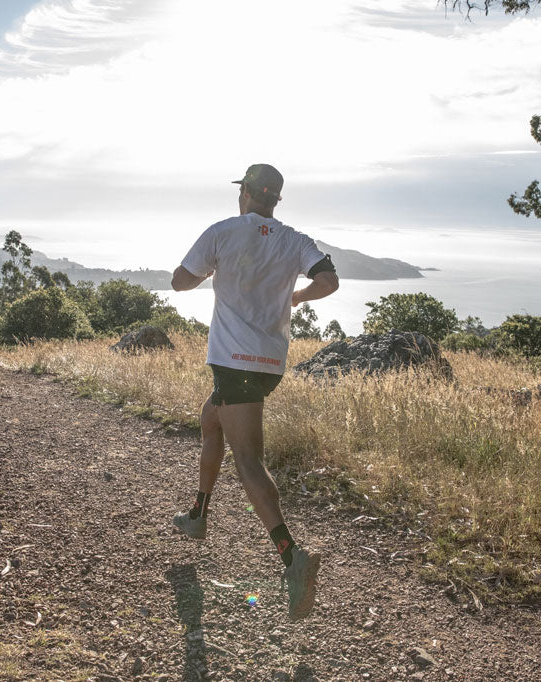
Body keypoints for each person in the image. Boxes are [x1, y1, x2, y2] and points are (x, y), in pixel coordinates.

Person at [169, 163, 340, 621]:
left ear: (243, 193)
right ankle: (198, 516)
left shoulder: (222, 232)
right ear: (276, 200)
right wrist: (298, 297)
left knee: (247, 461)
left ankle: (292, 558)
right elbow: (329, 281)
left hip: (234, 362)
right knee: (210, 422)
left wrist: (208, 271)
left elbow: (179, 281)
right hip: (269, 363)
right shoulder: (293, 240)